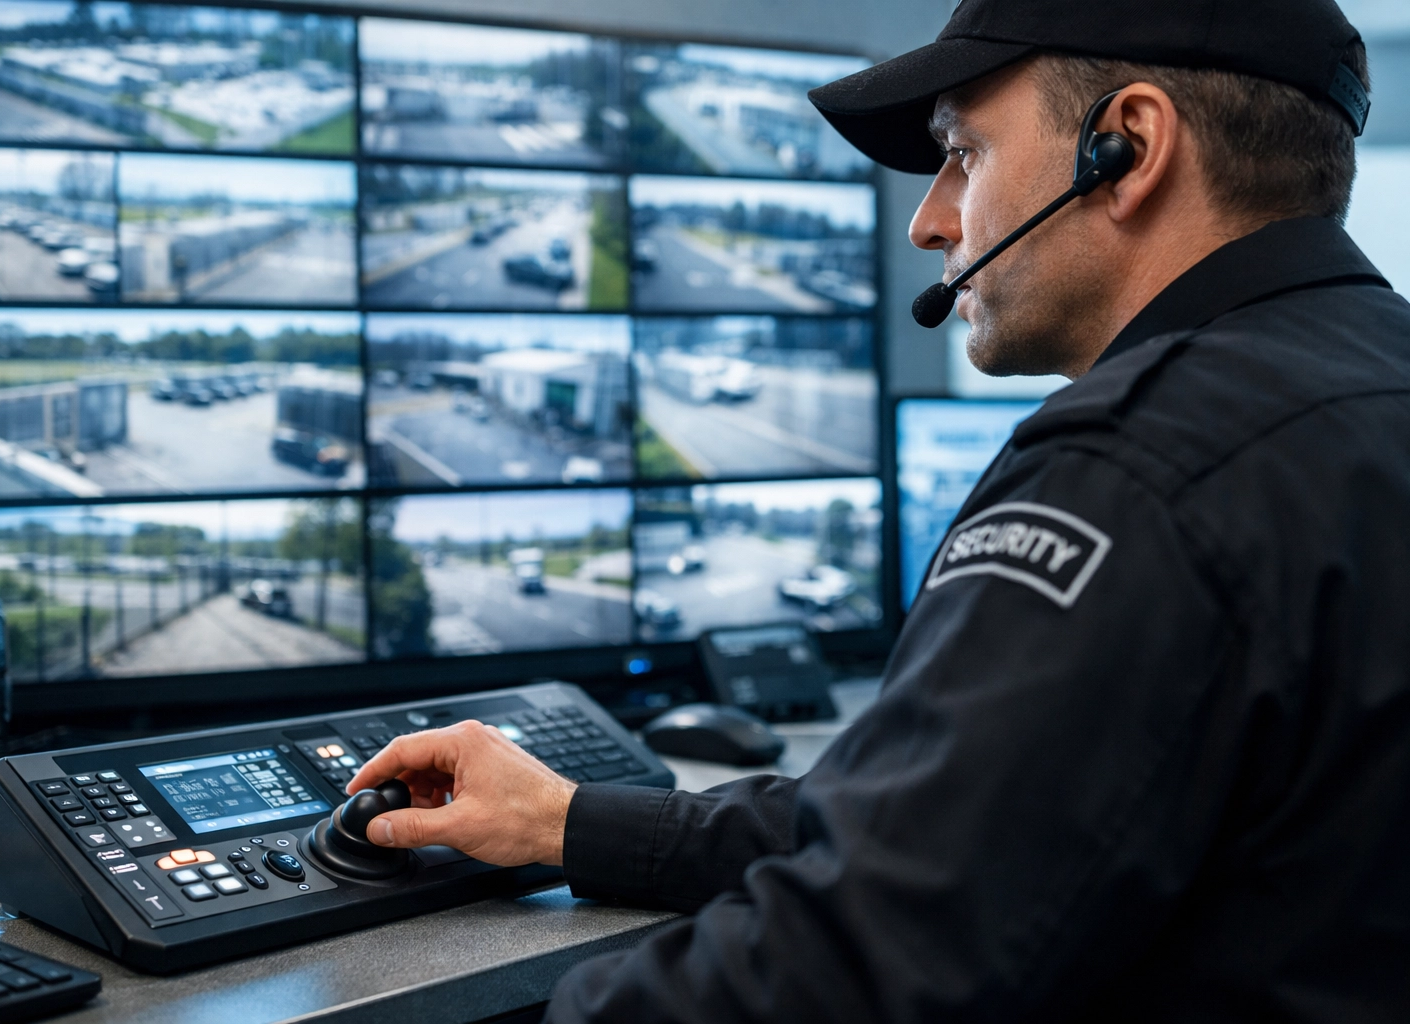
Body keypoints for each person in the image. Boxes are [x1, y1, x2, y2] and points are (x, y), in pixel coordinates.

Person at [349, 0, 1410, 1018]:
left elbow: (846, 964)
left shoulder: (1137, 469)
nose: (929, 219)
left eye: (966, 153)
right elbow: (962, 818)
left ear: (1125, 146)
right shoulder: (1363, 395)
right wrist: (572, 821)